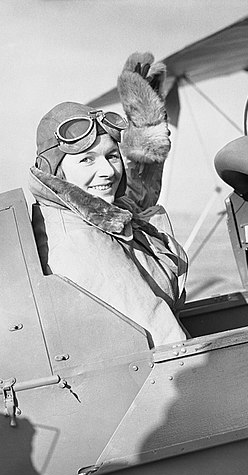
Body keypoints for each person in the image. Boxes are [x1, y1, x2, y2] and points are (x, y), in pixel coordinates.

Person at [29, 52, 188, 347]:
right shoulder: (80, 241)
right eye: (87, 160)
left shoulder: (91, 213)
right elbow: (164, 342)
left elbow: (135, 201)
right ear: (57, 172)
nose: (108, 171)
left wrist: (146, 126)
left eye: (112, 155)